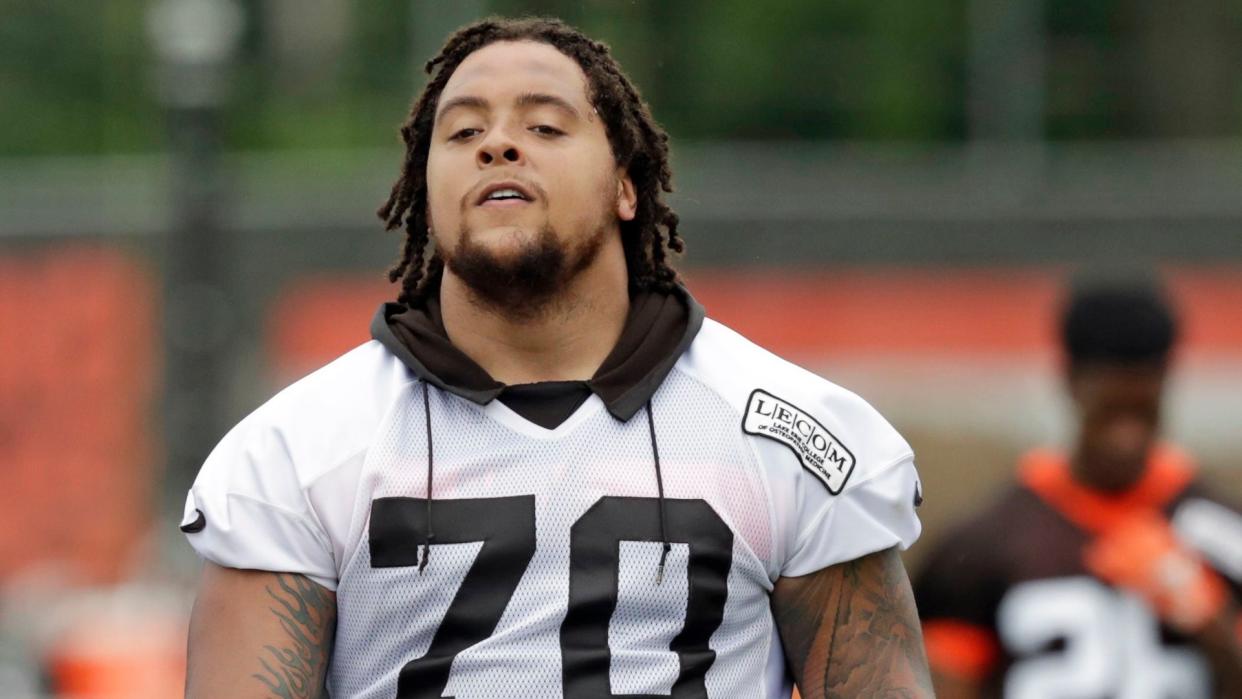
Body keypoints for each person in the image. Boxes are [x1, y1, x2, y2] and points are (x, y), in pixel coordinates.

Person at [180, 16, 931, 699]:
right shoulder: (298, 451)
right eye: (462, 131)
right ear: (423, 185)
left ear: (627, 187)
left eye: (544, 126)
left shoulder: (783, 434)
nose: (497, 144)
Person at [914, 276, 1242, 698]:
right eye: (1110, 415)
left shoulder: (1224, 533)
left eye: (1140, 413)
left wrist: (1211, 624)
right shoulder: (983, 544)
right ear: (1070, 381)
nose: (1126, 441)